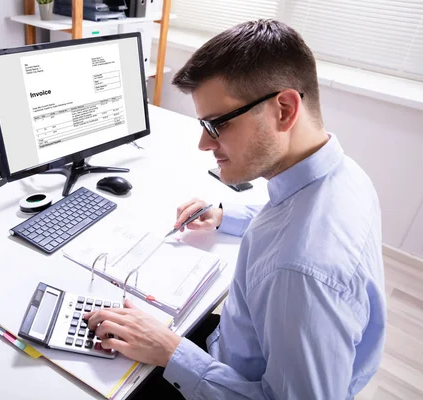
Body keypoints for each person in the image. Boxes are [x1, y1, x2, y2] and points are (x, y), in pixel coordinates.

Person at [85, 19, 386, 399]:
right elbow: (289, 213)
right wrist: (227, 216)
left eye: (217, 125)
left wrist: (171, 352)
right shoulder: (340, 173)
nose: (202, 144)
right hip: (239, 344)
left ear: (284, 110)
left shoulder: (302, 273)